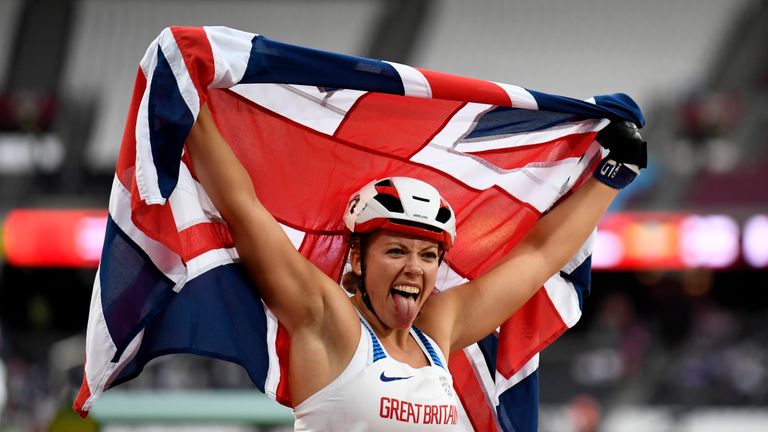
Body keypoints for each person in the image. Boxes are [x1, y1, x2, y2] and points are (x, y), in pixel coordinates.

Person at [186, 104, 646, 431]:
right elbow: (242, 208)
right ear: (356, 257)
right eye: (396, 251)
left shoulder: (437, 331)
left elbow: (538, 257)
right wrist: (188, 106)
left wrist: (612, 178)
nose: (414, 268)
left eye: (428, 255)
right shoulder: (328, 321)